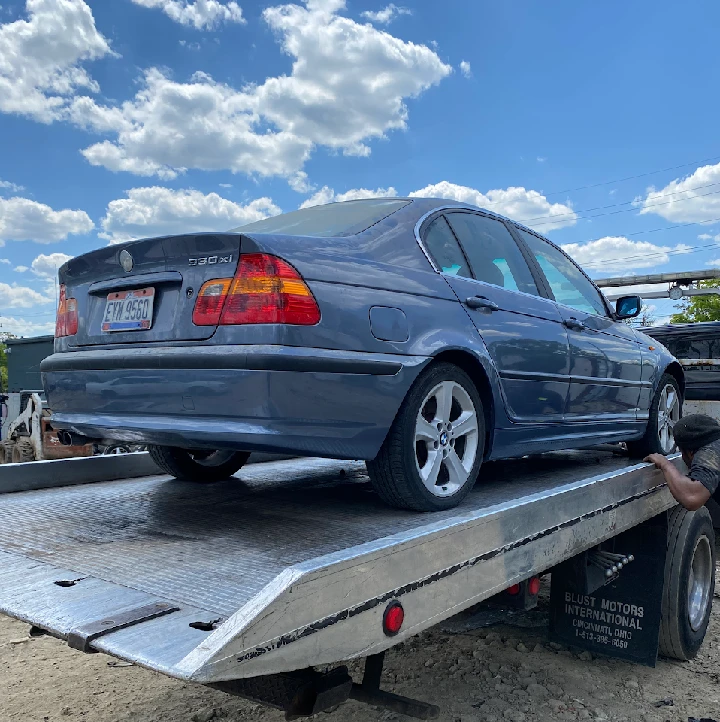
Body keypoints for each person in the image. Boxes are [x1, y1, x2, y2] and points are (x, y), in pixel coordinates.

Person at [644, 414, 720, 511]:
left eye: (681, 452)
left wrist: (665, 464)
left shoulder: (710, 454)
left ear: (690, 453)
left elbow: (692, 498)